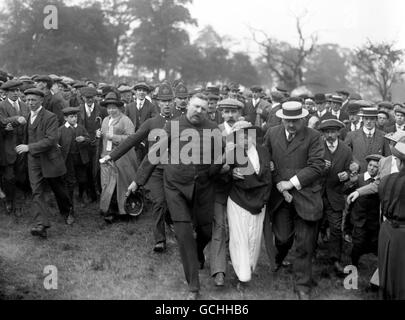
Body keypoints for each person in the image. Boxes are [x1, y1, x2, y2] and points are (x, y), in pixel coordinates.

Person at [125, 93, 223, 299]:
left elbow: (219, 158)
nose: (199, 111)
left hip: (203, 187)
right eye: (196, 106)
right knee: (183, 233)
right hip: (176, 186)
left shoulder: (213, 128)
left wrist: (222, 166)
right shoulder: (173, 126)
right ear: (188, 105)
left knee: (205, 229)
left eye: (204, 109)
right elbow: (155, 153)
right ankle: (193, 287)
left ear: (208, 111)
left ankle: (199, 250)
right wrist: (137, 180)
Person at [101, 83, 175, 252]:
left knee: (173, 201)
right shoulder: (151, 123)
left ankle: (172, 221)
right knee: (159, 201)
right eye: (163, 101)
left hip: (175, 169)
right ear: (157, 102)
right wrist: (111, 156)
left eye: (170, 100)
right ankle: (160, 239)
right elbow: (132, 140)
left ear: (174, 101)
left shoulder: (181, 122)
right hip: (155, 169)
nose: (167, 104)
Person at [263, 100, 325, 300]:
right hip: (280, 198)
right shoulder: (272, 133)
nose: (291, 125)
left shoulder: (314, 137)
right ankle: (280, 258)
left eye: (295, 121)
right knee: (282, 238)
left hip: (306, 197)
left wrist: (290, 183)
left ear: (303, 119)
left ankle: (302, 286)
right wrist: (278, 182)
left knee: (305, 244)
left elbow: (317, 166)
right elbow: (267, 160)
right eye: (287, 121)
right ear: (282, 119)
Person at [16, 88, 74, 238]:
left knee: (59, 190)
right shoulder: (28, 116)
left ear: (41, 101)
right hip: (33, 160)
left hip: (50, 159)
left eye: (33, 100)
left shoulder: (50, 117)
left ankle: (67, 211)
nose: (30, 103)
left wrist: (29, 147)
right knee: (36, 191)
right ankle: (41, 224)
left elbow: (51, 140)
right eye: (27, 100)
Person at [226, 121, 272, 286]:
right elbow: (215, 174)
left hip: (260, 200)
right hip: (239, 200)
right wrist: (230, 172)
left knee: (254, 236)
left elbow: (268, 176)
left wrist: (264, 198)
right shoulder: (232, 153)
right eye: (239, 136)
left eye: (247, 134)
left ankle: (249, 268)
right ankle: (242, 274)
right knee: (240, 238)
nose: (244, 138)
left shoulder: (264, 151)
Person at [318, 119, 352, 275]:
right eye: (327, 132)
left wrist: (346, 175)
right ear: (323, 134)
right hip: (317, 194)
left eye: (333, 132)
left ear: (339, 132)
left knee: (336, 229)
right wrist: (321, 169)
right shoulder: (318, 147)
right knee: (313, 226)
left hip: (335, 195)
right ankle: (310, 255)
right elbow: (309, 169)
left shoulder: (346, 150)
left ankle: (335, 259)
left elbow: (349, 171)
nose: (330, 135)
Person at [97, 92, 137, 223]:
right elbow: (104, 138)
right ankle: (108, 210)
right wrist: (99, 134)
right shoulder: (105, 120)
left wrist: (114, 137)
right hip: (106, 157)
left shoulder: (126, 120)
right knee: (106, 184)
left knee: (119, 185)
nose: (111, 110)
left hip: (121, 158)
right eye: (109, 108)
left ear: (119, 108)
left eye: (114, 107)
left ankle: (124, 210)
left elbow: (131, 138)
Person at [378, 140, 405, 300]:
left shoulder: (386, 180)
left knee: (387, 271)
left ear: (400, 162)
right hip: (401, 235)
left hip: (387, 230)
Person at [345, 154, 382, 267]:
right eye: (370, 165)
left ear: (380, 168)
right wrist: (350, 183)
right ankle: (353, 264)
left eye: (375, 166)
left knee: (373, 243)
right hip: (359, 217)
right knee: (358, 243)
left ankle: (378, 267)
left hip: (373, 219)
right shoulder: (360, 178)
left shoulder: (380, 182)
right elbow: (346, 191)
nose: (371, 168)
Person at [0, 80, 30, 213]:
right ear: (6, 92)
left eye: (18, 90)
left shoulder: (25, 105)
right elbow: (2, 121)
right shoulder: (1, 106)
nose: (16, 93)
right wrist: (17, 119)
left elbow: (28, 120)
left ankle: (18, 203)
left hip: (23, 145)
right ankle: (9, 201)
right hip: (7, 146)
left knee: (21, 175)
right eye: (13, 91)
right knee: (9, 176)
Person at [77, 86, 108, 202]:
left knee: (97, 169)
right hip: (83, 144)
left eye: (91, 97)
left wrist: (103, 133)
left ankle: (98, 192)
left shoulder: (102, 110)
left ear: (95, 97)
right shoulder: (78, 110)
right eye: (87, 98)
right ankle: (86, 193)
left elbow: (108, 125)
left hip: (98, 145)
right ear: (82, 97)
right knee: (85, 168)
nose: (89, 100)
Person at [58, 107, 90, 208]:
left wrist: (84, 139)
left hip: (80, 158)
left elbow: (89, 139)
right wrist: (57, 145)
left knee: (82, 179)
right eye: (71, 117)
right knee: (70, 181)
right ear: (65, 118)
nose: (74, 119)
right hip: (68, 159)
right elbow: (56, 142)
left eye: (75, 116)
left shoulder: (80, 128)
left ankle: (80, 196)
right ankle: (70, 202)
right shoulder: (61, 130)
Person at [344, 106, 391, 173]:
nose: (368, 122)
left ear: (375, 120)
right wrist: (353, 163)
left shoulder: (383, 136)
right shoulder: (351, 135)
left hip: (376, 176)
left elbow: (388, 158)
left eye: (371, 119)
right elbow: (345, 154)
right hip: (358, 174)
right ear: (362, 119)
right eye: (366, 119)